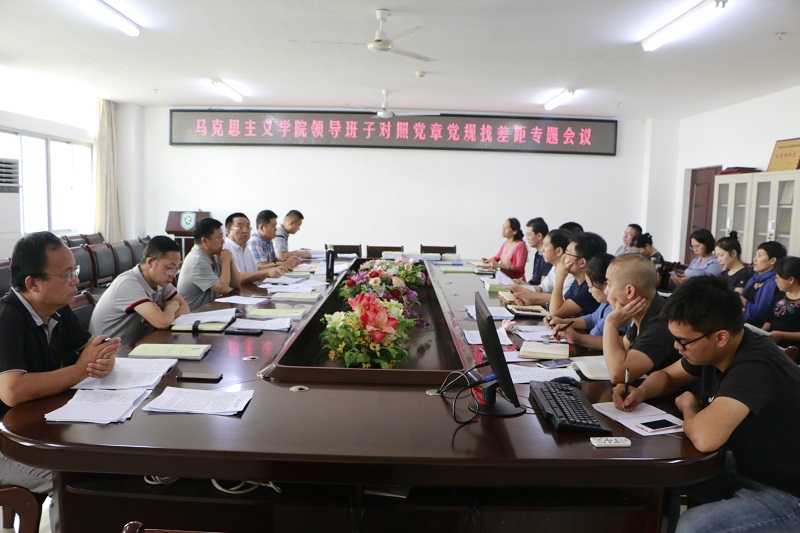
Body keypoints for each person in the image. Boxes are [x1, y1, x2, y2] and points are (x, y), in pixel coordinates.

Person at [613, 275, 800, 533]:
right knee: (650, 476)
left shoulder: (755, 365)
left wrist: (689, 406)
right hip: (746, 467)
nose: (677, 347)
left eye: (683, 341)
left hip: (787, 491)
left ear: (720, 337)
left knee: (696, 526)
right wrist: (640, 392)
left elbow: (705, 438)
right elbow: (668, 376)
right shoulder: (717, 349)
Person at [0, 231, 119, 511]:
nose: (76, 280)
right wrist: (81, 369)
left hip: (37, 427)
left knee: (110, 460)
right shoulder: (7, 320)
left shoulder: (58, 309)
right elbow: (12, 391)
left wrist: (103, 359)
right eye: (67, 275)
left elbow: (90, 347)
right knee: (74, 481)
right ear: (33, 283)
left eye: (74, 271)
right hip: (6, 442)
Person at [90, 235, 189, 346]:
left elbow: (185, 309)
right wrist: (171, 307)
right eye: (170, 268)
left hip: (138, 345)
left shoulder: (161, 281)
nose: (173, 275)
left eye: (176, 269)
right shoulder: (128, 283)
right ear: (150, 262)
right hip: (112, 352)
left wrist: (163, 315)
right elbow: (162, 322)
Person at [602, 253, 680, 383]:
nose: (605, 291)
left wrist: (610, 324)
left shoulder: (661, 325)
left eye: (609, 284)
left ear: (629, 291)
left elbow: (619, 375)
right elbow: (623, 347)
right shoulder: (641, 311)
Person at [549, 253, 627, 350]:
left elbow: (597, 335)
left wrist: (577, 338)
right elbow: (593, 319)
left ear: (605, 285)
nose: (589, 291)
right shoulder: (605, 303)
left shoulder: (618, 309)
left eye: (590, 286)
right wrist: (563, 321)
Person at [177, 217, 240, 310]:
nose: (223, 241)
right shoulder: (197, 261)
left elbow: (236, 284)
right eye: (219, 237)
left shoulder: (213, 254)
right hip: (194, 314)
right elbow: (223, 289)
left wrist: (230, 260)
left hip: (209, 309)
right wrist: (226, 261)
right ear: (205, 241)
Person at [508, 229, 574, 306]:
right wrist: (522, 287)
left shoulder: (571, 273)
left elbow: (562, 299)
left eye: (545, 246)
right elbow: (542, 288)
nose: (542, 250)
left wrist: (523, 290)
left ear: (558, 251)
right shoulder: (555, 267)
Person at [548, 231, 606, 318]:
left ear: (581, 262)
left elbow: (555, 312)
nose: (563, 257)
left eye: (567, 253)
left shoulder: (590, 288)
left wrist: (560, 276)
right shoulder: (577, 282)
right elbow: (560, 304)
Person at [223, 212, 287, 283]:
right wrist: (267, 272)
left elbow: (255, 269)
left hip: (250, 288)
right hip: (238, 290)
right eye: (239, 227)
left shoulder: (245, 248)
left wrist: (278, 266)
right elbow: (237, 277)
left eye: (247, 227)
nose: (245, 231)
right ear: (228, 231)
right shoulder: (225, 249)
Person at [742, 241, 787, 328]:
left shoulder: (774, 283)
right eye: (755, 255)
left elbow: (761, 314)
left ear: (772, 260)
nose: (754, 259)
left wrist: (742, 300)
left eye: (760, 256)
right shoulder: (753, 279)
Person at [763, 256, 800, 353]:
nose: (776, 281)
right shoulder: (780, 295)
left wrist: (783, 335)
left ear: (791, 280)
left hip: (792, 351)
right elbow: (770, 319)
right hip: (772, 345)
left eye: (778, 278)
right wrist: (762, 331)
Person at [524, 217, 551, 285]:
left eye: (529, 234)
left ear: (539, 236)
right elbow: (534, 279)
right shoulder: (538, 254)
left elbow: (543, 287)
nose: (527, 238)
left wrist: (523, 287)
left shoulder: (548, 256)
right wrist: (522, 284)